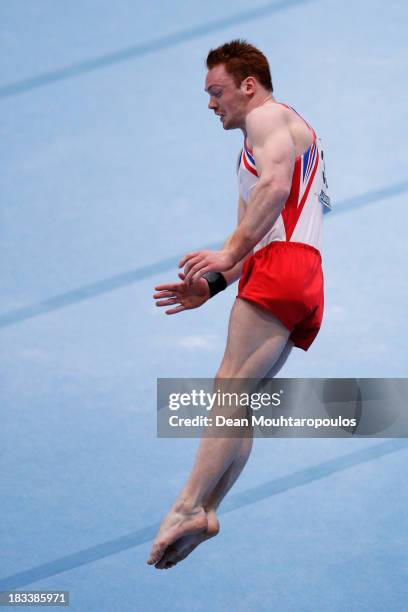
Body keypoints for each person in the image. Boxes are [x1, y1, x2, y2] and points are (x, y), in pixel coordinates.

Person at [147, 39, 330, 570]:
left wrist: (228, 251)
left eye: (216, 91)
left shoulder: (268, 117)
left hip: (286, 263)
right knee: (240, 396)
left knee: (227, 386)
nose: (211, 103)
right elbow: (254, 235)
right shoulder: (259, 145)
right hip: (300, 272)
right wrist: (213, 284)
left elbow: (274, 190)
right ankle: (207, 509)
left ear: (248, 85)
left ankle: (185, 504)